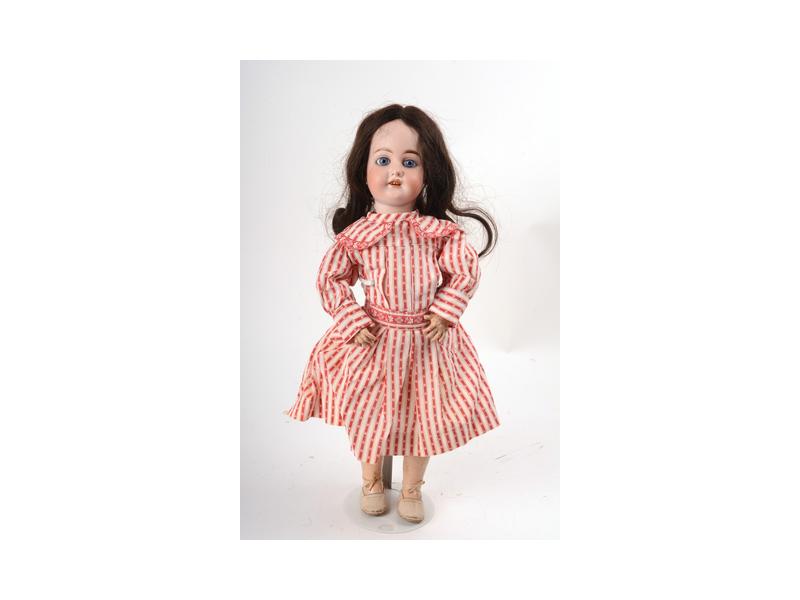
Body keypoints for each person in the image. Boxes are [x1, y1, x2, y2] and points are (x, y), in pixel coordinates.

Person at [284, 104, 500, 523]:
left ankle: (413, 487)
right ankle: (372, 481)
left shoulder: (439, 234)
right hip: (375, 340)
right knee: (370, 412)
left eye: (410, 162)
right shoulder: (358, 237)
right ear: (363, 170)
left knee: (425, 415)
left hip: (428, 345)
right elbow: (331, 279)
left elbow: (464, 271)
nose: (396, 172)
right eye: (383, 160)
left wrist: (445, 310)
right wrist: (352, 319)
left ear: (429, 172)